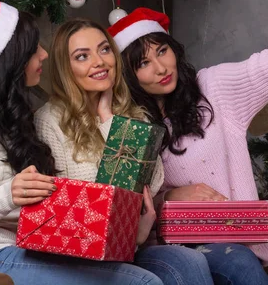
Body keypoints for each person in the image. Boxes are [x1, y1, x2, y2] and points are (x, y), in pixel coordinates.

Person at [109, 0, 268, 285]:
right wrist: (169, 198)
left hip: (231, 240)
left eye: (162, 51)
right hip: (158, 250)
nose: (160, 68)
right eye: (144, 63)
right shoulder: (126, 122)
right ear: (129, 75)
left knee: (238, 262)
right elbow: (119, 202)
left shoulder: (213, 90)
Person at [0, 2, 163, 285]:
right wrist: (6, 196)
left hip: (25, 250)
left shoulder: (12, 119)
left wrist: (131, 237)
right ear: (13, 59)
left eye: (104, 49)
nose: (44, 54)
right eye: (34, 49)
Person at [35, 18, 217, 285]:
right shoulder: (50, 120)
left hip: (129, 246)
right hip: (78, 255)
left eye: (104, 49)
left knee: (190, 261)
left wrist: (108, 117)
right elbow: (88, 207)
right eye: (83, 56)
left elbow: (147, 185)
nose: (99, 61)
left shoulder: (136, 116)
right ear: (66, 68)